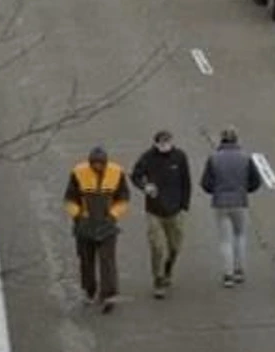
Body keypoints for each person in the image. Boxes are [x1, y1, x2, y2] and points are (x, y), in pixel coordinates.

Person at [63, 146, 131, 313]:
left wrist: (113, 216)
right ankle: (89, 290)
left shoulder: (116, 173)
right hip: (85, 227)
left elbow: (123, 198)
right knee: (86, 261)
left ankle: (108, 294)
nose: (98, 166)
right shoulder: (78, 173)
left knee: (107, 261)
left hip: (107, 226)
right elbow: (69, 199)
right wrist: (78, 217)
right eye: (95, 163)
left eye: (100, 163)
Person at [129, 130, 192, 300]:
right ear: (156, 143)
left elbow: (186, 181)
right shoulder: (147, 157)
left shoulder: (179, 157)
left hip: (175, 210)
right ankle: (158, 279)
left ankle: (168, 269)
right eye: (161, 143)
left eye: (167, 142)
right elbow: (135, 176)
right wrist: (145, 186)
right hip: (154, 211)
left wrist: (184, 205)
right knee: (157, 247)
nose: (165, 145)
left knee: (175, 246)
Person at [199, 127, 262, 288]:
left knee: (225, 240)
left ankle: (228, 274)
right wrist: (244, 189)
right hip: (240, 201)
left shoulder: (213, 158)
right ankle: (239, 269)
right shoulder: (245, 158)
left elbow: (205, 183)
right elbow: (255, 181)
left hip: (220, 202)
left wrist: (216, 190)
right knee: (240, 236)